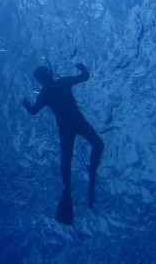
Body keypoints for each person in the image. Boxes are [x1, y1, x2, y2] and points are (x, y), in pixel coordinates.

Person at [22, 62, 104, 225]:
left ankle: (70, 184)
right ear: (48, 74)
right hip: (76, 121)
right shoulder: (60, 83)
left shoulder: (46, 92)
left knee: (69, 158)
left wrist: (27, 105)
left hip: (67, 125)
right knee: (96, 146)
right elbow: (84, 77)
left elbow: (33, 111)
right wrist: (82, 68)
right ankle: (87, 169)